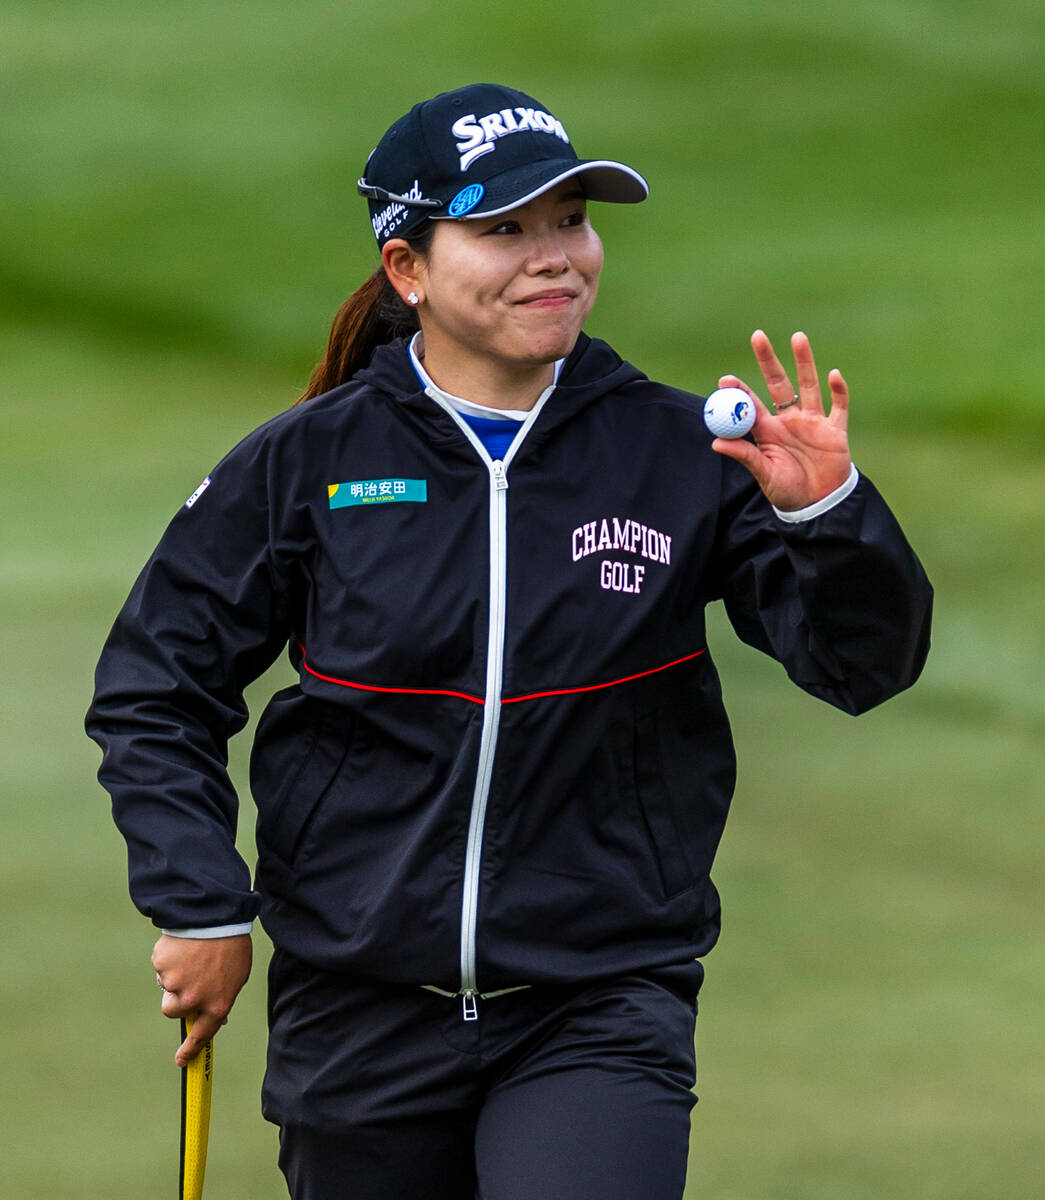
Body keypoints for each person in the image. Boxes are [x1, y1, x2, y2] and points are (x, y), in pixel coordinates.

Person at [86, 82, 932, 1200]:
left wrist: (824, 518)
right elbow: (157, 684)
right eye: (503, 229)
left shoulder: (680, 453)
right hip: (357, 1009)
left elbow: (862, 665)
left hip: (599, 1000)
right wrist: (199, 901)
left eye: (570, 222)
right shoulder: (306, 465)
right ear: (407, 270)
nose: (555, 258)